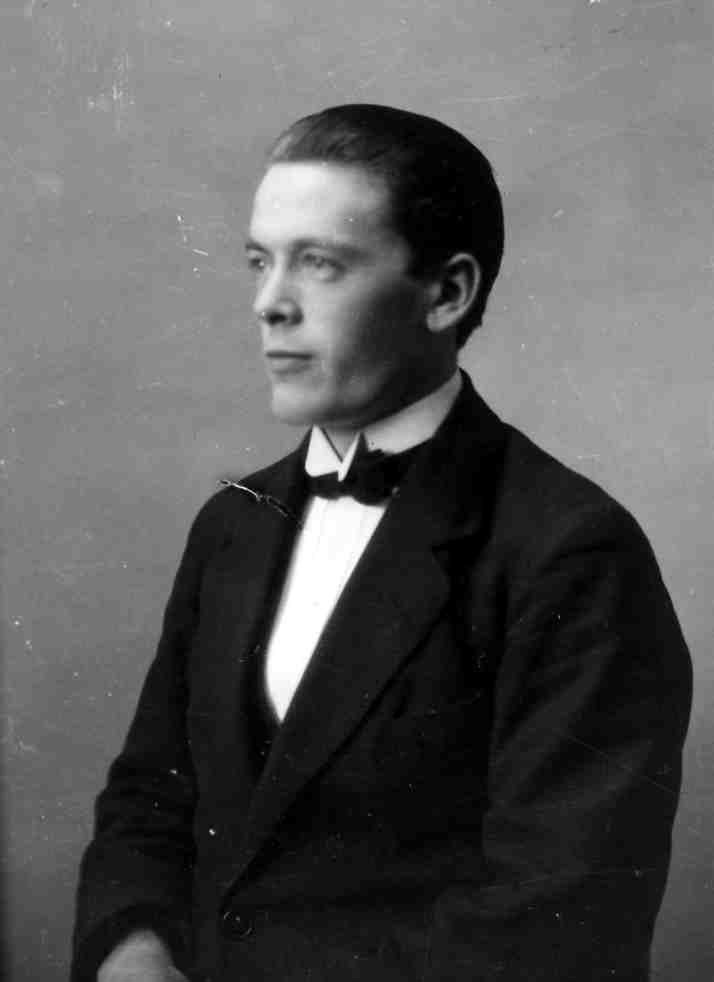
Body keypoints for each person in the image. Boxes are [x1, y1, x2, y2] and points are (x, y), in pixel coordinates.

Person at [71, 104, 692, 982]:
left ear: (448, 294)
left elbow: (560, 921)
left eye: (319, 263)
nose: (268, 303)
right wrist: (132, 952)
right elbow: (149, 796)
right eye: (260, 261)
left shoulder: (572, 551)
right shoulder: (233, 523)